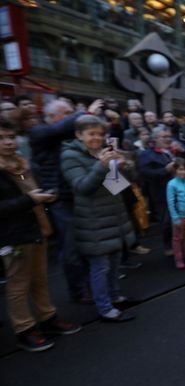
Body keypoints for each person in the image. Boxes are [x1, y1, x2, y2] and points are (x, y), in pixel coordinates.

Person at [0, 118, 82, 352]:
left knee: (40, 279)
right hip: (13, 235)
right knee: (18, 284)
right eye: (2, 138)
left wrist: (43, 196)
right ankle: (24, 329)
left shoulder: (20, 163)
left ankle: (47, 318)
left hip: (35, 228)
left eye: (10, 137)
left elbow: (30, 191)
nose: (8, 142)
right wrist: (31, 199)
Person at [61, 115, 135, 323]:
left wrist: (124, 166)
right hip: (92, 220)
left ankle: (115, 297)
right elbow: (82, 187)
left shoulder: (103, 153)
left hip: (114, 216)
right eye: (91, 134)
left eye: (100, 134)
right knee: (100, 267)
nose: (97, 138)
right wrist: (102, 165)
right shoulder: (70, 156)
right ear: (79, 134)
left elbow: (119, 186)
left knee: (114, 263)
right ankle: (105, 308)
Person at [30, 98, 103, 305]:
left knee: (88, 243)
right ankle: (78, 290)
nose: (73, 117)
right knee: (71, 248)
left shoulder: (69, 139)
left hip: (78, 197)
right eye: (68, 112)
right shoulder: (40, 132)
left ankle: (93, 285)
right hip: (61, 199)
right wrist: (86, 113)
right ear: (52, 116)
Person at [137, 127, 175, 254]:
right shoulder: (146, 154)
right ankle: (168, 246)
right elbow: (145, 173)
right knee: (166, 221)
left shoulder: (169, 151)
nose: (167, 139)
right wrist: (165, 170)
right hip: (160, 193)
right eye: (164, 137)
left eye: (169, 136)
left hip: (176, 190)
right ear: (155, 138)